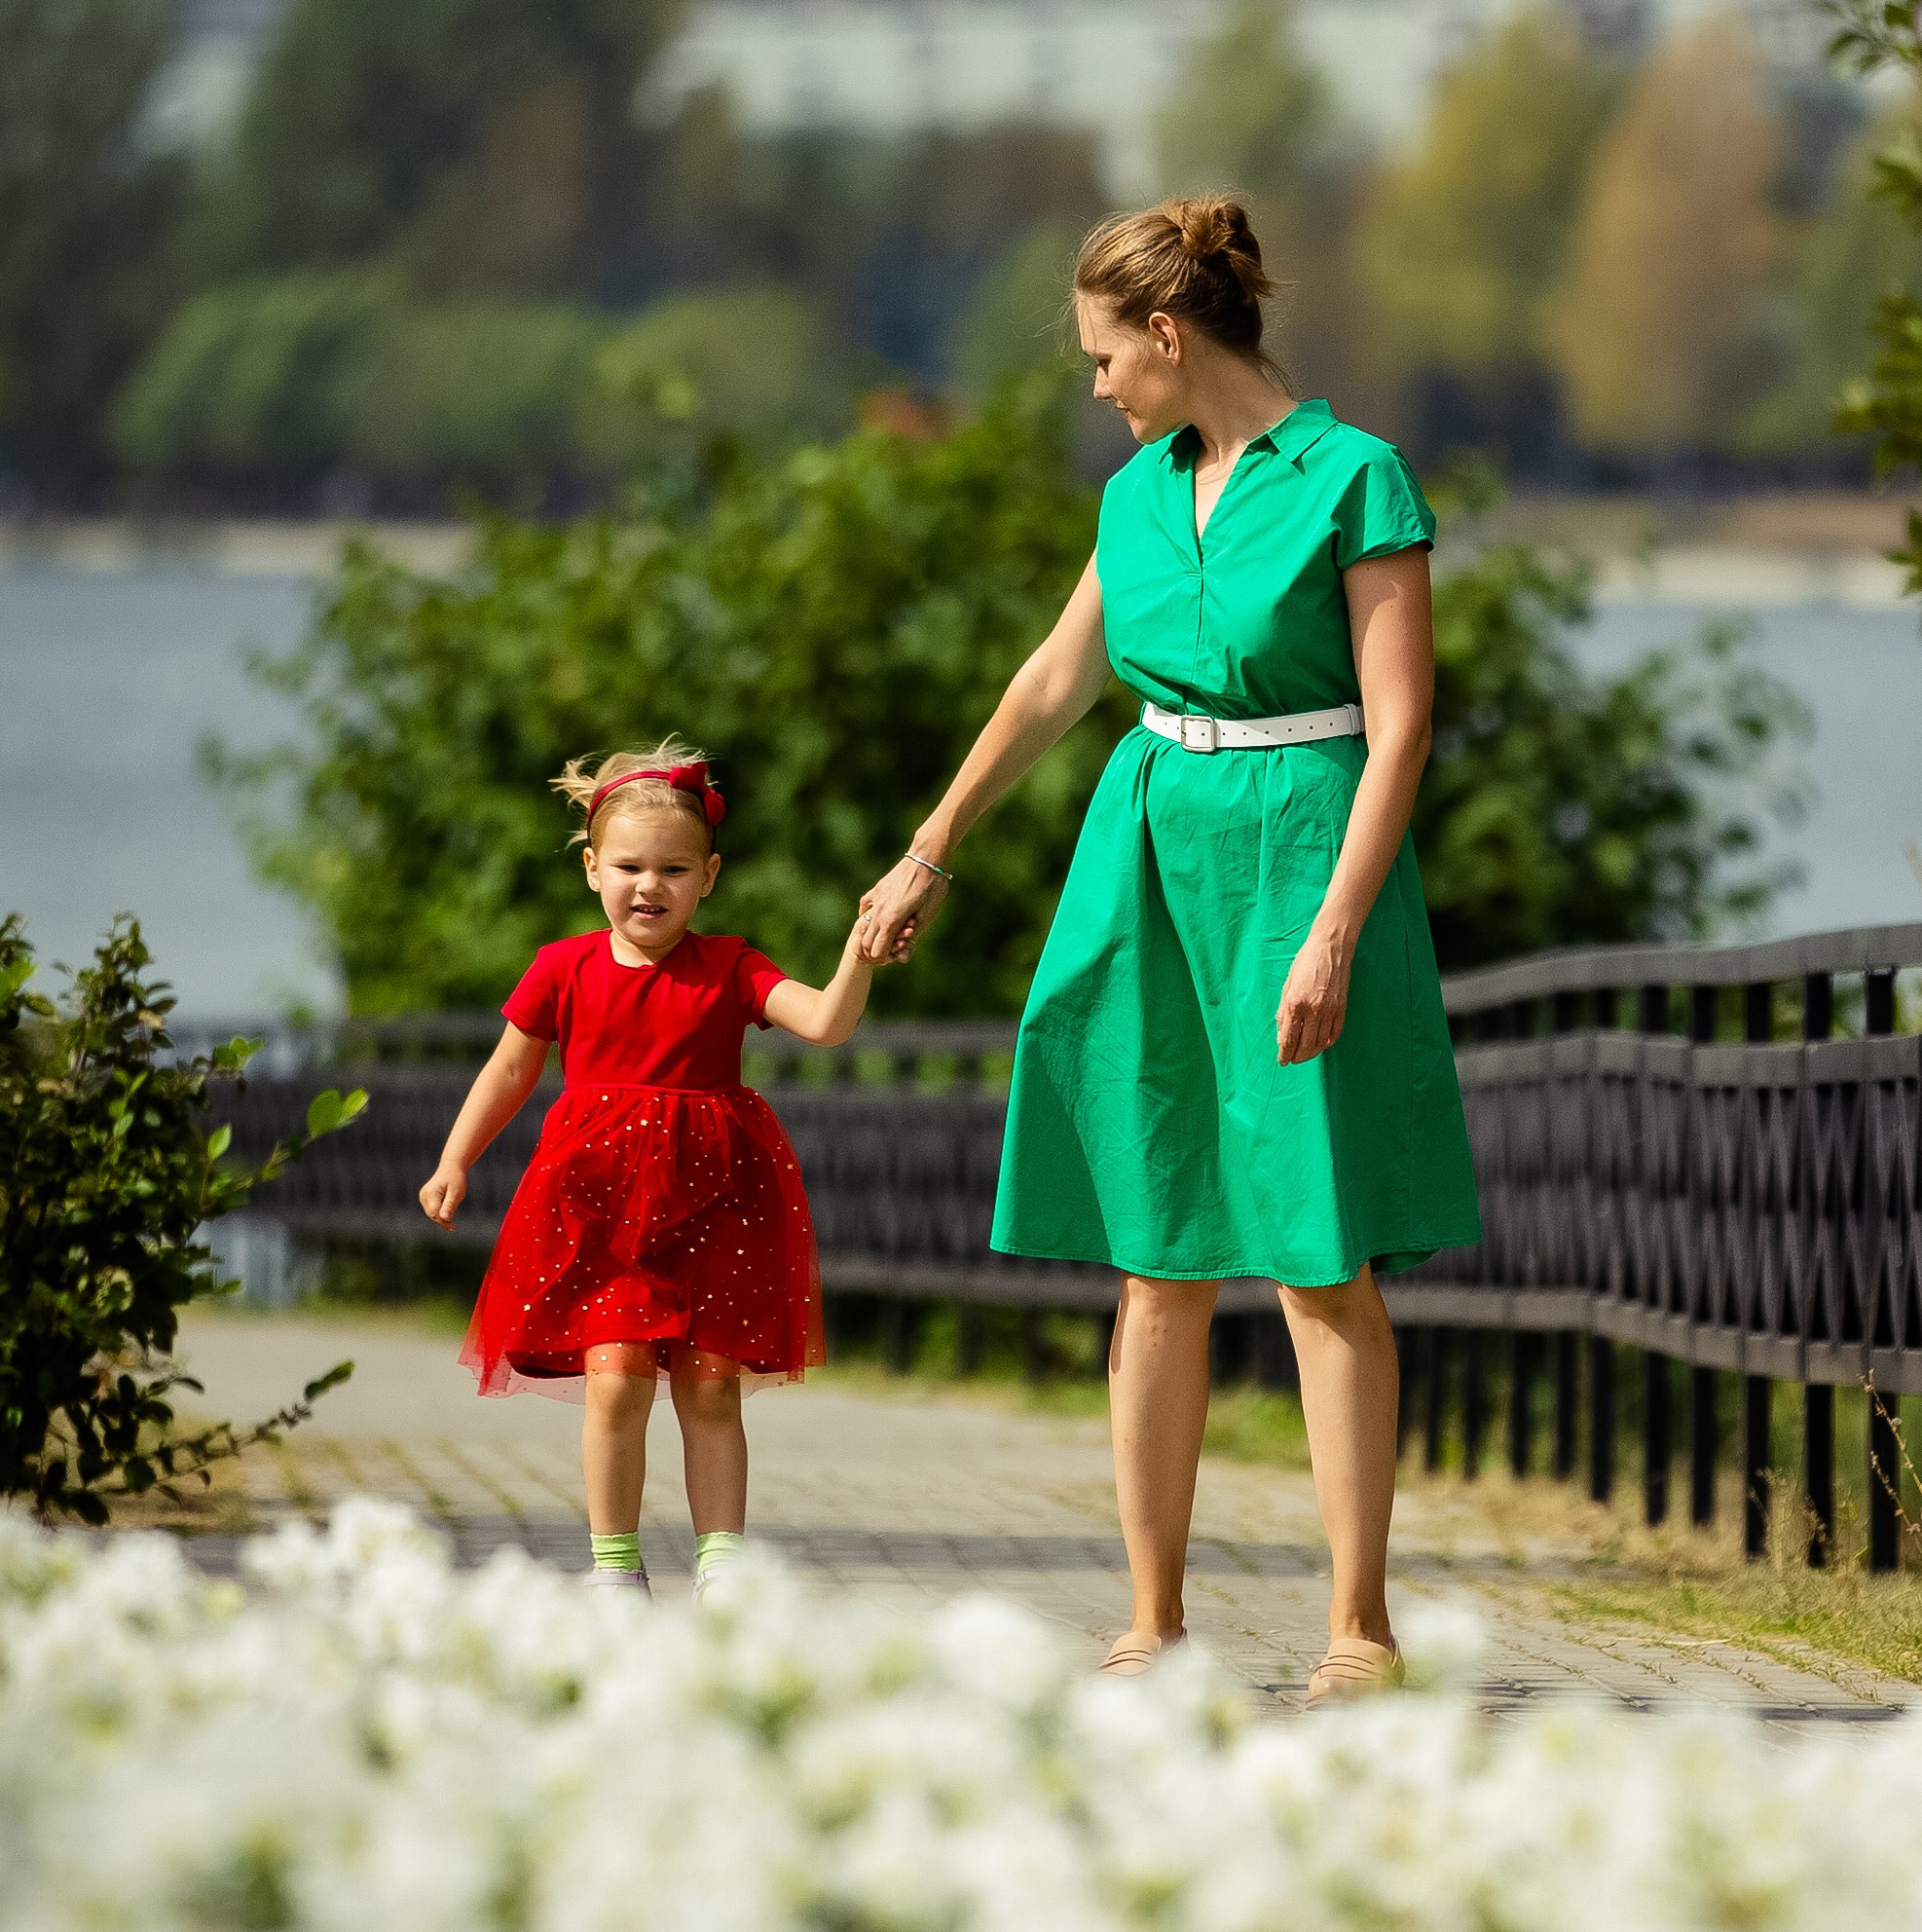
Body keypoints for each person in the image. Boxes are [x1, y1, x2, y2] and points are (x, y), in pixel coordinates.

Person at [856, 198, 1480, 1699]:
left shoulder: (1354, 477)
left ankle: (1360, 1629)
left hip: (1298, 847)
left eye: (1098, 356)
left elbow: (1400, 731)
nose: (1094, 386)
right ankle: (1154, 1618)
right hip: (1146, 847)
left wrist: (1333, 926)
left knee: (1318, 1255)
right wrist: (930, 845)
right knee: (1153, 1254)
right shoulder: (1136, 497)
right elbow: (1055, 679)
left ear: (1166, 332)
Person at [419, 740, 882, 1600]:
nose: (649, 885)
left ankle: (724, 1571)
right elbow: (510, 1069)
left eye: (673, 869)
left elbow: (824, 1023)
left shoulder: (732, 966)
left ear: (708, 875)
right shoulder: (564, 968)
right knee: (616, 1377)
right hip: (598, 1213)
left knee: (711, 1391)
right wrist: (456, 1158)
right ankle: (614, 1568)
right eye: (629, 865)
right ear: (592, 868)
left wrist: (857, 952)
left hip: (719, 1209)